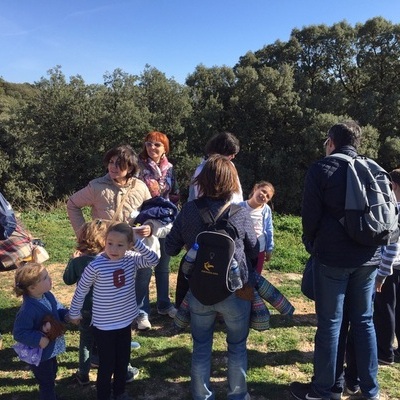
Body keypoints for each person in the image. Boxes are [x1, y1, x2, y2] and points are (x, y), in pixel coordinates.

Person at [290, 121, 380, 400]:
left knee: (330, 322)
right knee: (364, 321)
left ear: (331, 141)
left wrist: (312, 243)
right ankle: (370, 390)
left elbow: (310, 218)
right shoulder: (372, 167)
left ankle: (324, 390)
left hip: (333, 259)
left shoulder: (322, 168)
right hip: (369, 256)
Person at [165, 154, 259, 400]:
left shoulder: (188, 211)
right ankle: (238, 395)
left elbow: (171, 248)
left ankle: (201, 395)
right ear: (233, 182)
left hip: (199, 288)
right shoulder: (239, 213)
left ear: (202, 180)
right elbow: (254, 248)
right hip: (235, 290)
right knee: (237, 346)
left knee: (201, 346)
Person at [68, 222, 159, 400]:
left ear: (129, 245)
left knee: (122, 361)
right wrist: (74, 312)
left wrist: (138, 242)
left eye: (120, 245)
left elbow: (153, 260)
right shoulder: (96, 265)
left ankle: (119, 392)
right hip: (104, 325)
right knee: (107, 364)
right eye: (110, 243)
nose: (114, 249)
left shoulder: (131, 258)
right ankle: (103, 395)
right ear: (104, 241)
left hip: (125, 321)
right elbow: (81, 289)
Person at [135, 131, 180, 330]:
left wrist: (173, 215)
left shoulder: (169, 168)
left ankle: (164, 304)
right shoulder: (137, 167)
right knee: (145, 265)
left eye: (157, 145)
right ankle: (141, 312)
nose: (152, 148)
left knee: (163, 265)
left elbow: (176, 194)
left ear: (165, 148)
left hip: (166, 222)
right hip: (145, 221)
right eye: (149, 144)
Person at [67, 144, 152, 237]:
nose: (113, 167)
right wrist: (83, 234)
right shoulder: (97, 187)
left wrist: (150, 227)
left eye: (119, 164)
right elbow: (72, 204)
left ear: (130, 168)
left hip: (133, 246)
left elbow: (151, 212)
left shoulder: (140, 187)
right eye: (111, 162)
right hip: (104, 246)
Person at [13, 262, 70, 400]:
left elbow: (57, 308)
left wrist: (66, 315)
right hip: (40, 354)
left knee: (52, 372)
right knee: (46, 382)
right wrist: (38, 339)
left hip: (50, 350)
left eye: (47, 275)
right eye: (44, 278)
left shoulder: (48, 295)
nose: (50, 279)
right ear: (32, 288)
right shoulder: (28, 310)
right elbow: (19, 332)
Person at [373, 168, 400, 365]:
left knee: (385, 310)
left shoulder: (395, 209)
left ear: (393, 186)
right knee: (397, 310)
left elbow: (392, 243)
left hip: (390, 267)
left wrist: (382, 272)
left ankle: (384, 352)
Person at [188, 131, 243, 203]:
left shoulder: (231, 166)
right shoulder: (201, 170)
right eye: (230, 154)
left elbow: (237, 195)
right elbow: (197, 197)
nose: (233, 157)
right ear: (221, 152)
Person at [238, 181, 275, 275]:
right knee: (239, 276)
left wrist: (269, 249)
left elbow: (269, 229)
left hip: (259, 250)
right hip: (242, 249)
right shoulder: (239, 206)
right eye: (263, 191)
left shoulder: (266, 210)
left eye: (268, 196)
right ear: (256, 188)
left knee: (255, 277)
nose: (264, 196)